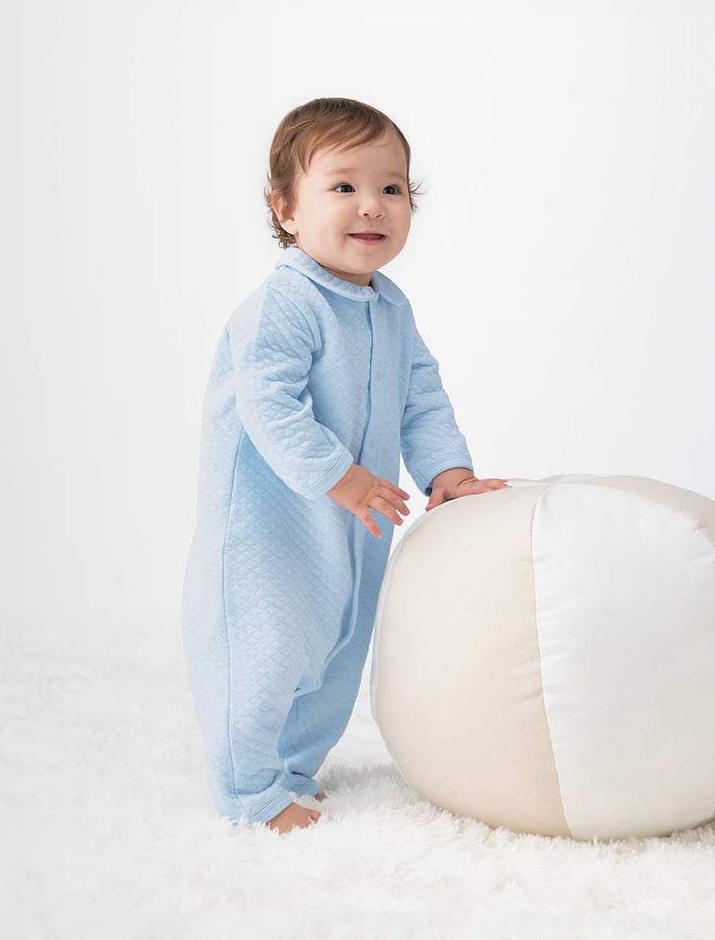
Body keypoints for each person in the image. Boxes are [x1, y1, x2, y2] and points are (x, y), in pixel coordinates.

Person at [181, 98, 509, 833]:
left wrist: (447, 472)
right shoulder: (285, 303)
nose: (372, 205)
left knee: (334, 655)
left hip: (353, 526)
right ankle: (248, 792)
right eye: (343, 186)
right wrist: (342, 476)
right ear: (287, 209)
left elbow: (420, 395)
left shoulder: (390, 308)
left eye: (392, 188)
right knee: (263, 653)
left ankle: (293, 770)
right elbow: (269, 405)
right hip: (268, 532)